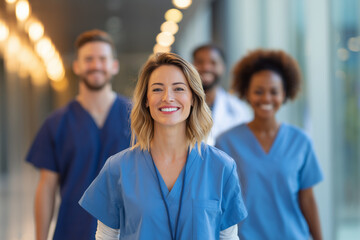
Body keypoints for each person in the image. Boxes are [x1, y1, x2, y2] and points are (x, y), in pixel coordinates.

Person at [79, 52, 247, 239]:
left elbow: (228, 237)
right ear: (146, 100)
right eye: (158, 89)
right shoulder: (118, 167)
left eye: (179, 89)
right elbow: (106, 236)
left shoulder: (221, 166)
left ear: (193, 98)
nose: (168, 97)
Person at [26, 29, 131, 240]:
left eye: (102, 59)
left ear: (114, 66)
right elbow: (46, 187)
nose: (96, 65)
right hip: (73, 230)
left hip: (128, 231)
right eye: (88, 59)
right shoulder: (56, 123)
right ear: (76, 66)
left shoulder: (137, 118)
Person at [215, 49, 323, 240]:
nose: (266, 98)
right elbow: (220, 201)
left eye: (274, 92)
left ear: (285, 94)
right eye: (258, 91)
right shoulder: (226, 142)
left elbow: (307, 199)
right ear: (246, 93)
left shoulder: (300, 141)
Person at [192, 44, 252, 145]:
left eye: (213, 63)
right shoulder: (180, 106)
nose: (206, 67)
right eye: (200, 62)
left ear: (223, 67)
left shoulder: (238, 109)